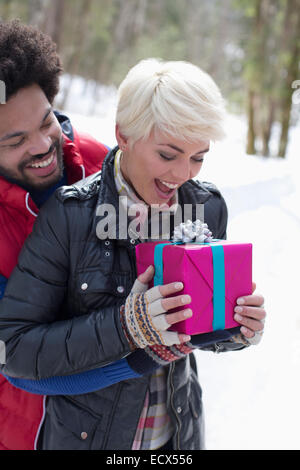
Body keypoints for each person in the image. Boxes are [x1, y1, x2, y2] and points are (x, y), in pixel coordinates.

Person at [0, 57, 266, 450]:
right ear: (123, 135)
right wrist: (128, 325)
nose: (183, 175)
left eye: (198, 156)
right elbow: (16, 353)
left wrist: (237, 329)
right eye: (168, 155)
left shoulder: (206, 205)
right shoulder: (69, 215)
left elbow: (200, 334)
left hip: (178, 434)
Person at [0, 19, 110, 450]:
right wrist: (137, 350)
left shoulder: (103, 164)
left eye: (46, 121)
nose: (44, 145)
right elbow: (15, 358)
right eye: (15, 141)